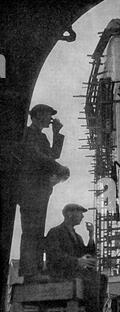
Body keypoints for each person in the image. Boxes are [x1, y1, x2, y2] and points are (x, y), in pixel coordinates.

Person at [17, 104, 70, 280]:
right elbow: (37, 156)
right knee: (31, 230)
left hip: (40, 190)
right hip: (30, 189)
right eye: (49, 115)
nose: (51, 118)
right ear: (39, 115)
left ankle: (36, 270)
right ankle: (29, 272)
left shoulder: (41, 137)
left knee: (36, 230)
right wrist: (60, 168)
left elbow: (53, 154)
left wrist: (56, 133)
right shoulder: (28, 134)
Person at [45, 203, 113, 312]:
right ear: (69, 214)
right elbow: (54, 257)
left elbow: (88, 255)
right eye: (79, 213)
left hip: (74, 273)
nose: (82, 216)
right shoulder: (55, 232)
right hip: (60, 274)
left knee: (102, 278)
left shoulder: (78, 237)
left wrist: (91, 236)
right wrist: (77, 261)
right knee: (92, 278)